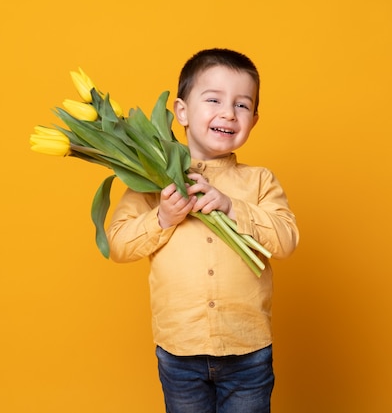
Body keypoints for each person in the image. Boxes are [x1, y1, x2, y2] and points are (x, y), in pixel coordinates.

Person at [106, 48, 299, 413]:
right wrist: (161, 219)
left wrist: (232, 206)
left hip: (248, 350)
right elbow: (117, 245)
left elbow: (287, 240)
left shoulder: (259, 181)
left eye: (242, 105)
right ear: (181, 111)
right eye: (213, 100)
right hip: (180, 350)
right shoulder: (151, 181)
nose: (228, 113)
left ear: (254, 119)